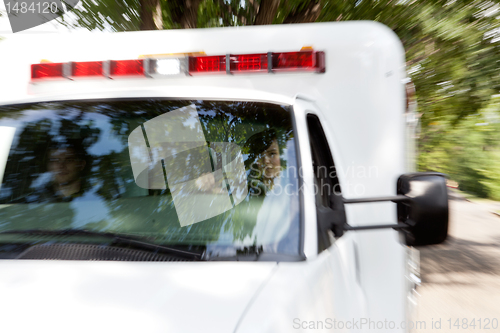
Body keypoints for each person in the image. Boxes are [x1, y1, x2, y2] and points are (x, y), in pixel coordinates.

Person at [244, 129, 282, 196]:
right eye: (260, 156)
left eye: (272, 154)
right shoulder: (250, 192)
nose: (266, 161)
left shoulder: (295, 190)